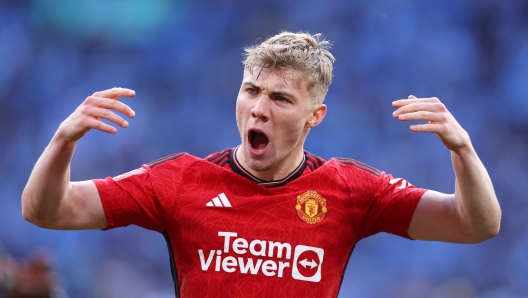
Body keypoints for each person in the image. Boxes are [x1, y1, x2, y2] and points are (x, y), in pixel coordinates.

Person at [22, 31, 501, 297]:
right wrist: (64, 139)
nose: (258, 108)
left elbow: (475, 225)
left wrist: (464, 151)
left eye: (279, 98)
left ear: (316, 116)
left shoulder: (353, 191)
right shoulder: (182, 180)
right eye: (251, 90)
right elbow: (47, 211)